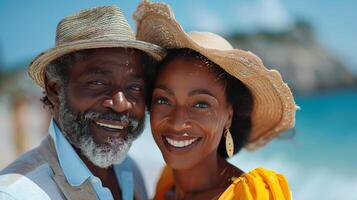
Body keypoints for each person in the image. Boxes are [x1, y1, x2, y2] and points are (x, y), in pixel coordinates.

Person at [134, 1, 298, 199]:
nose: (177, 122)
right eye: (163, 100)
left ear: (229, 115)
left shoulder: (251, 195)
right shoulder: (166, 186)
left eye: (201, 104)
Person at [0, 5, 165, 200]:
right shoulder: (17, 194)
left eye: (134, 87)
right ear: (55, 89)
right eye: (98, 83)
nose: (121, 104)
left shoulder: (130, 172)